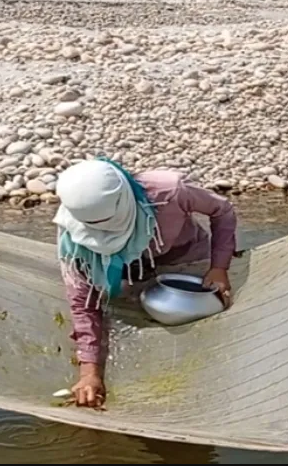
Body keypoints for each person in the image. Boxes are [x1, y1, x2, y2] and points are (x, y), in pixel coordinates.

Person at [54, 157, 239, 408]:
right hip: (124, 272)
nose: (105, 232)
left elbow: (222, 210)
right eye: (95, 228)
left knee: (203, 321)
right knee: (120, 326)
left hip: (183, 257)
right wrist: (90, 374)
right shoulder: (74, 238)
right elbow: (84, 303)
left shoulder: (167, 192)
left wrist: (219, 267)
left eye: (109, 223)